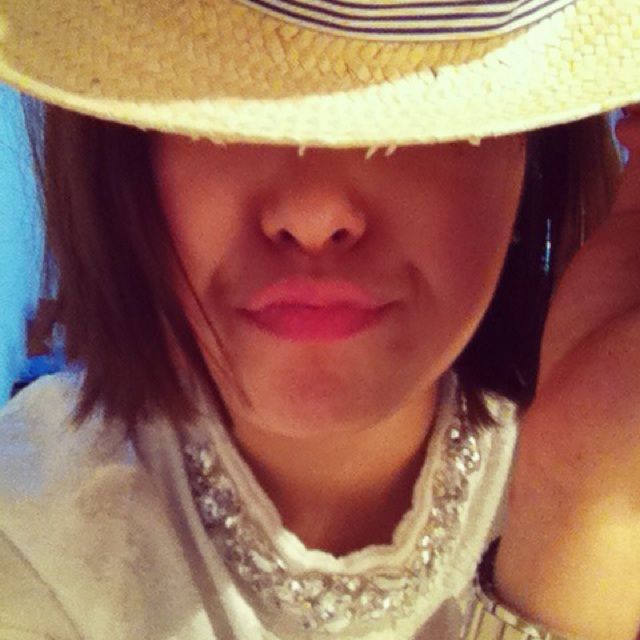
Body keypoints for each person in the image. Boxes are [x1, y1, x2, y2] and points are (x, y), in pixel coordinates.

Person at [0, 1, 638, 639]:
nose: (314, 215)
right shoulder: (28, 537)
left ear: (531, 148)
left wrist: (585, 494)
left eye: (415, 103)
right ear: (124, 146)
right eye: (228, 100)